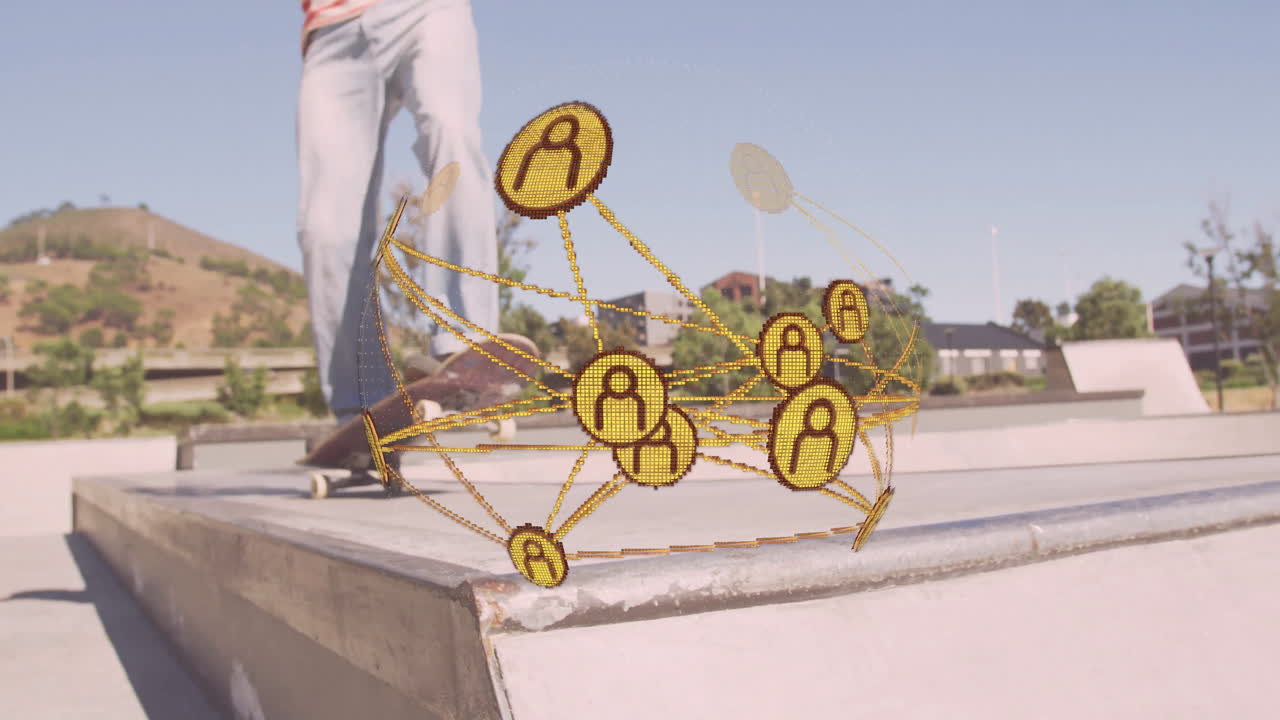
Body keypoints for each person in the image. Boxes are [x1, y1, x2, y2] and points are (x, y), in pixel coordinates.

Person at [296, 0, 512, 427]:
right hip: (334, 34)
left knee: (452, 137)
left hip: (429, 9)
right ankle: (362, 406)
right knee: (325, 228)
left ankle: (464, 346)